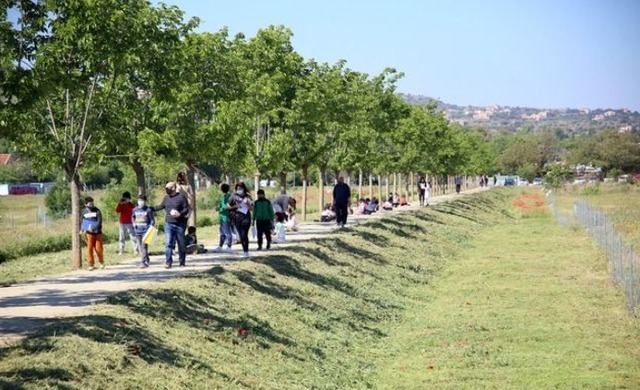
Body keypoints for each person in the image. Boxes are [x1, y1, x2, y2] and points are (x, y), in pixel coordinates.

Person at [155, 181, 189, 268]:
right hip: (169, 224)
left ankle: (182, 261)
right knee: (168, 243)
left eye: (168, 188)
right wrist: (150, 208)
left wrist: (180, 214)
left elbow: (186, 209)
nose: (166, 190)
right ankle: (168, 262)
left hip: (180, 224)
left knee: (181, 243)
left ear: (173, 188)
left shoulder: (181, 197)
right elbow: (160, 206)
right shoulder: (166, 198)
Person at [228, 182, 253, 257]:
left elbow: (252, 208)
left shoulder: (248, 196)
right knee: (241, 235)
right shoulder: (233, 196)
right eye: (238, 188)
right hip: (237, 217)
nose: (239, 190)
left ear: (244, 188)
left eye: (241, 188)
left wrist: (248, 204)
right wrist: (236, 206)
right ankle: (245, 251)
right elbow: (228, 207)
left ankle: (246, 251)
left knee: (244, 234)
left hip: (246, 217)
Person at [81, 196, 104, 271]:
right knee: (89, 249)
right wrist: (82, 229)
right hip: (89, 234)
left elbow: (99, 221)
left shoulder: (97, 210)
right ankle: (91, 264)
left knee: (98, 249)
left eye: (92, 203)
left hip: (97, 233)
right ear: (86, 204)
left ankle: (101, 262)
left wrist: (94, 228)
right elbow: (82, 221)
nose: (91, 204)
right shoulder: (83, 211)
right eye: (90, 203)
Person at [132, 194, 155, 268]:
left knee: (144, 246)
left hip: (146, 231)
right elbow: (133, 217)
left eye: (142, 200)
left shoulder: (148, 210)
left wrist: (150, 227)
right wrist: (133, 223)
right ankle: (146, 259)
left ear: (145, 201)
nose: (140, 202)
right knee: (140, 247)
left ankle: (142, 262)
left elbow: (152, 220)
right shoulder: (135, 209)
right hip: (137, 230)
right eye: (139, 200)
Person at [115, 191, 138, 256]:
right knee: (121, 237)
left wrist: (135, 222)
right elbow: (117, 210)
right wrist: (120, 203)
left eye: (127, 198)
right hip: (122, 223)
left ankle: (135, 250)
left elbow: (134, 212)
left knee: (133, 237)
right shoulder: (121, 204)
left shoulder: (131, 205)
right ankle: (121, 251)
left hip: (130, 223)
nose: (125, 200)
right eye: (124, 198)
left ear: (129, 198)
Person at [213, 183, 233, 253]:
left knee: (227, 232)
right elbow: (220, 205)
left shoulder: (229, 197)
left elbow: (227, 206)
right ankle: (220, 246)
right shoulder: (223, 197)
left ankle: (229, 246)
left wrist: (220, 209)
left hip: (226, 216)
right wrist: (217, 208)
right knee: (222, 232)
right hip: (222, 217)